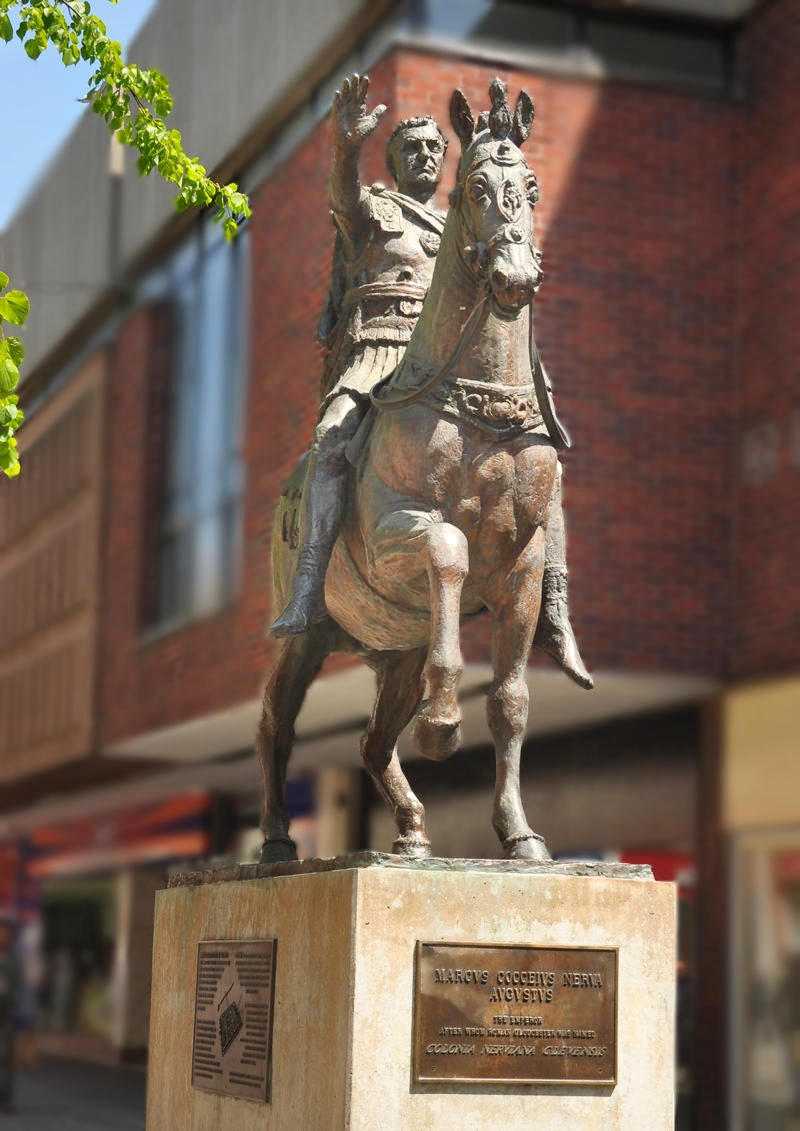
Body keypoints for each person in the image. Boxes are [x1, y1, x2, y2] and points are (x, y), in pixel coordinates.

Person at [271, 74, 591, 691]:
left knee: (542, 457)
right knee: (333, 440)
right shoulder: (376, 211)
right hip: (379, 350)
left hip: (446, 356)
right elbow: (342, 199)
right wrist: (345, 149)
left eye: (431, 148)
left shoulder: (460, 221)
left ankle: (553, 603)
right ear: (393, 162)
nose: (422, 156)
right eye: (409, 149)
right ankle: (308, 584)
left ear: (445, 161)